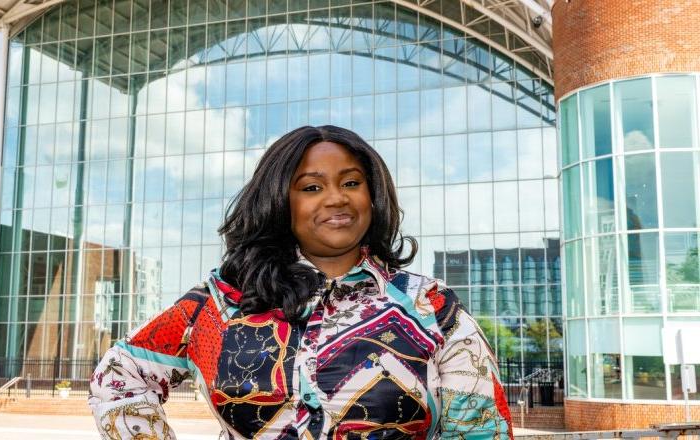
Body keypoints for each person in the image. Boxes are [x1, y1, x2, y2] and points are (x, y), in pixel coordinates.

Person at [89, 125, 513, 439]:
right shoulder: (220, 303)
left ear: (373, 195)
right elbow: (120, 376)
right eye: (311, 186)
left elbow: (481, 428)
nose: (336, 198)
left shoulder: (430, 307)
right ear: (279, 200)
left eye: (351, 182)